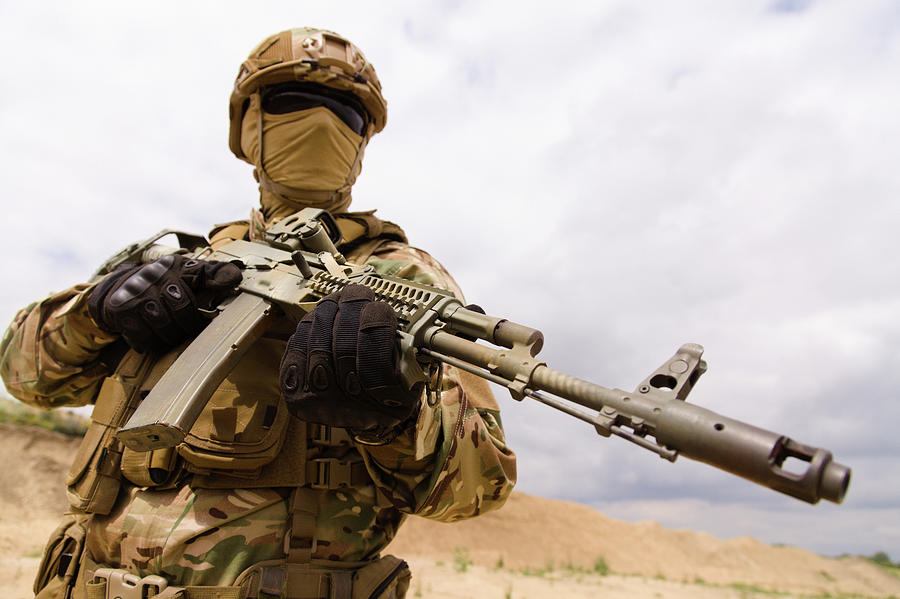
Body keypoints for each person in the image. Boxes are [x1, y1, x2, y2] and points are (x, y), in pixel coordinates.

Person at [1, 27, 516, 599]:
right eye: (292, 102)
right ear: (247, 127)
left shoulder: (401, 276)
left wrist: (393, 419)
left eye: (346, 113)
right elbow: (25, 377)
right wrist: (94, 313)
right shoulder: (187, 259)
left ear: (363, 143)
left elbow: (480, 485)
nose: (322, 123)